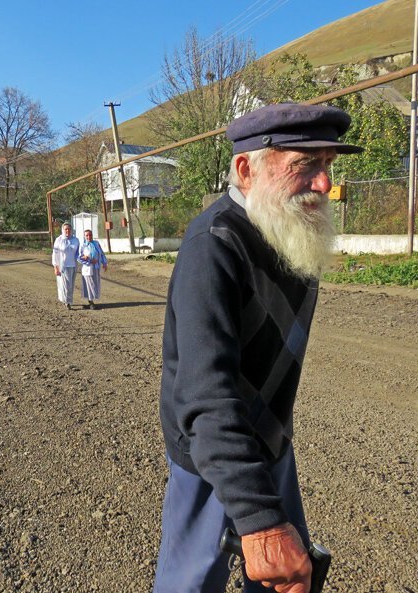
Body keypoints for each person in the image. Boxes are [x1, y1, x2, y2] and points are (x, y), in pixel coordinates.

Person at [154, 103, 363, 593]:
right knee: (190, 582)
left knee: (290, 576)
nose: (324, 184)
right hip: (210, 451)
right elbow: (205, 395)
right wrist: (260, 520)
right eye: (305, 165)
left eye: (328, 165)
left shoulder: (288, 229)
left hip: (270, 442)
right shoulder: (214, 245)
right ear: (247, 169)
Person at [77, 229, 108, 309]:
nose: (88, 237)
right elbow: (78, 258)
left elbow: (101, 253)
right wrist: (89, 260)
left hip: (96, 268)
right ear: (84, 236)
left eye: (90, 235)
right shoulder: (83, 246)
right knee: (89, 285)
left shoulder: (96, 243)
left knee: (95, 284)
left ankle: (91, 300)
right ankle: (91, 302)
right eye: (87, 235)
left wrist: (104, 263)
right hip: (88, 269)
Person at [52, 222, 80, 309]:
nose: (67, 231)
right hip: (63, 266)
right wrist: (56, 266)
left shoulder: (76, 240)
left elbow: (79, 253)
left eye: (69, 229)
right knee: (65, 285)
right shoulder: (59, 240)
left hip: (73, 265)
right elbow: (55, 254)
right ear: (63, 230)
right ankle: (67, 302)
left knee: (71, 285)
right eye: (66, 229)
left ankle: (68, 300)